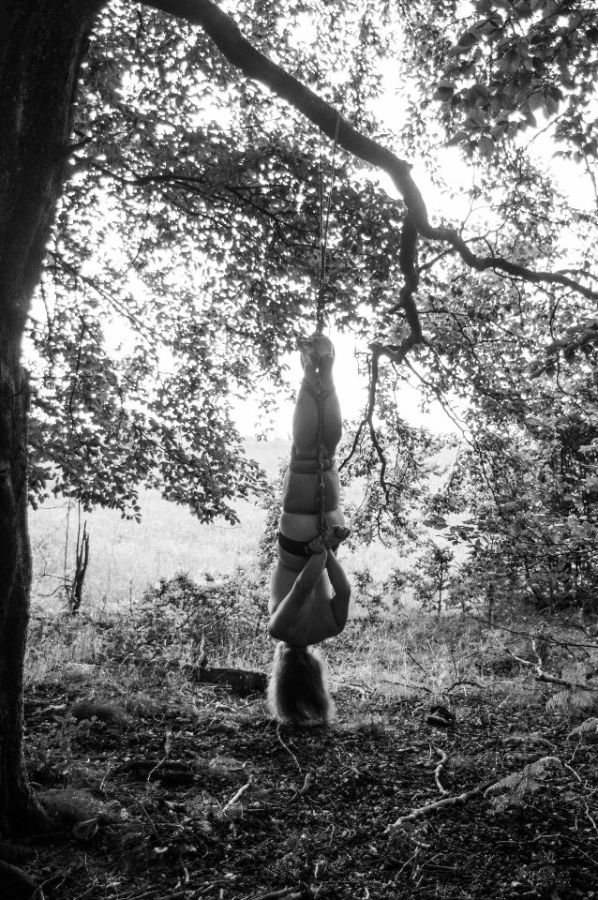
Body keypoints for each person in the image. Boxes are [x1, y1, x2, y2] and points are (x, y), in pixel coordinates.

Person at [267, 333, 351, 724]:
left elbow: (344, 590)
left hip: (331, 535)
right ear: (282, 677)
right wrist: (318, 552)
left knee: (326, 454)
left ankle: (327, 368)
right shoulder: (279, 631)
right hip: (302, 545)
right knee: (304, 454)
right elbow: (300, 587)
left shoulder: (331, 629)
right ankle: (309, 370)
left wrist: (329, 550)